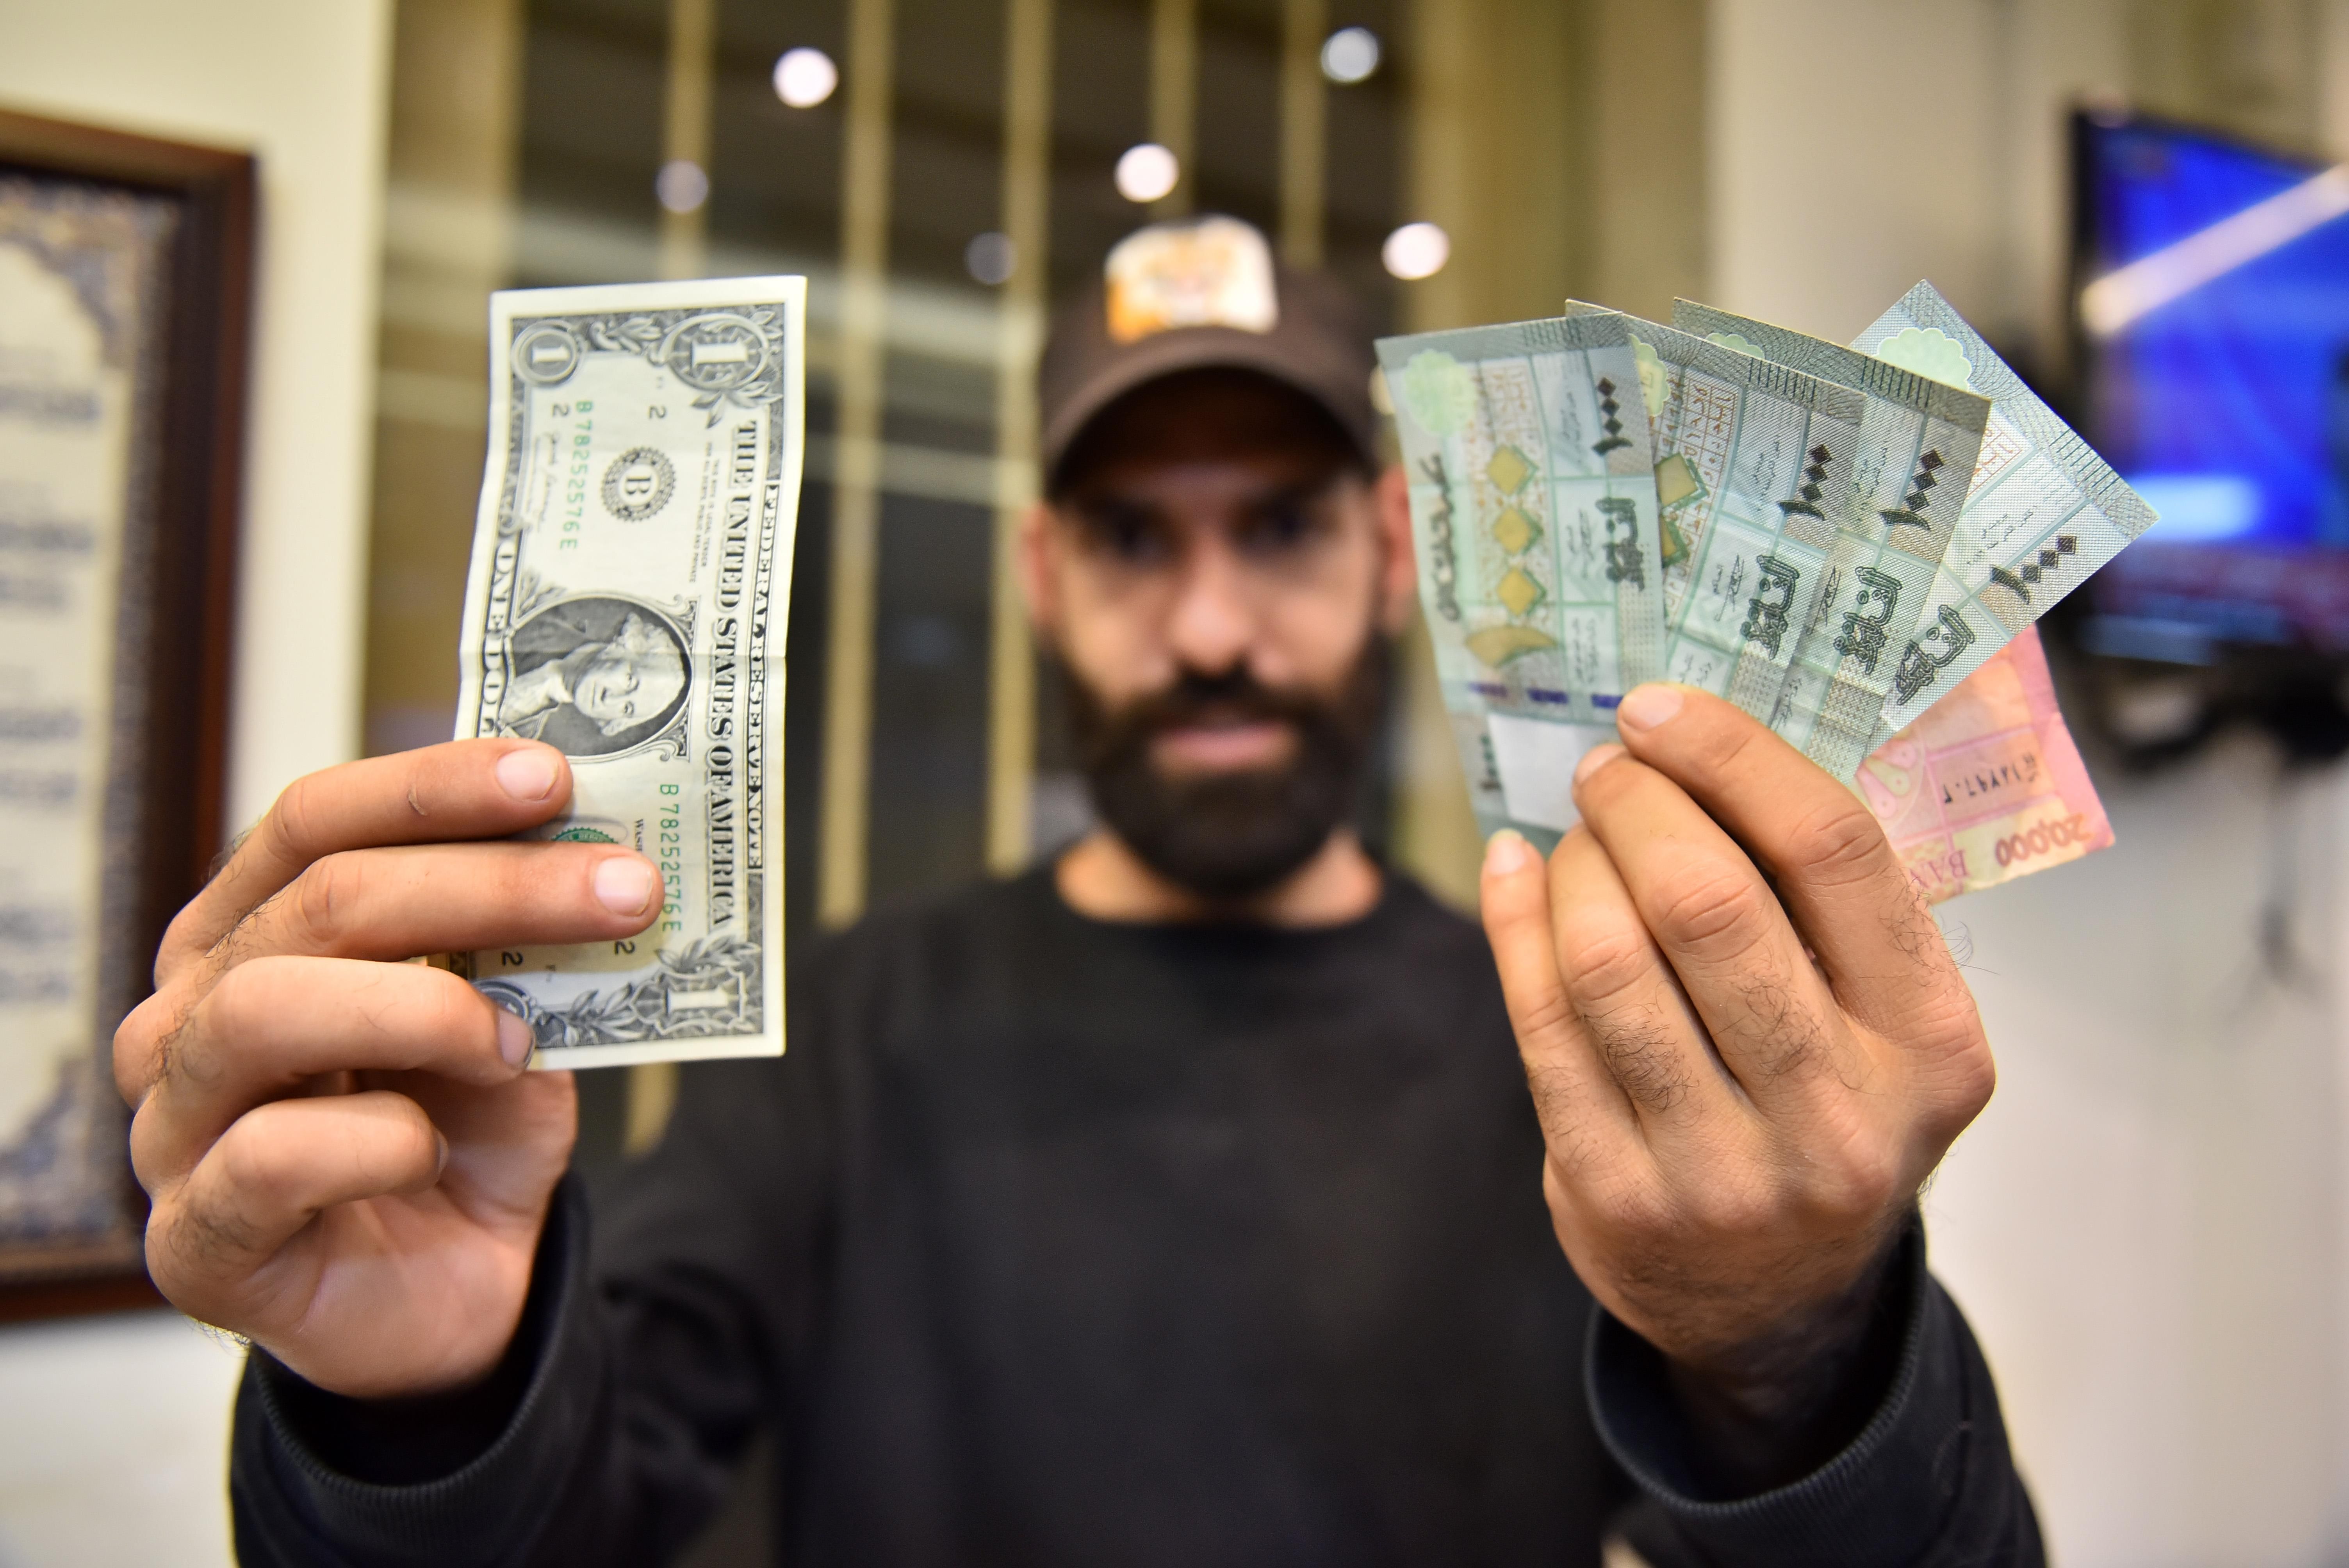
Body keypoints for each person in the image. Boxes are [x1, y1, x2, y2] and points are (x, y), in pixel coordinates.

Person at [119, 217, 2038, 1565]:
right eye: (1133, 538)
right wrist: (422, 1398)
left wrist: (1804, 1337)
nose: (1209, 628)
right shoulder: (862, 1022)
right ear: (1042, 575)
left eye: (1278, 527)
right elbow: (582, 1505)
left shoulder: (1583, 1041)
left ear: (1392, 547)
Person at [497, 598, 691, 754]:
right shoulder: (541, 611)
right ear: (622, 647)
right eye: (630, 681)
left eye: (627, 708)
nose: (611, 698)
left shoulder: (535, 746)